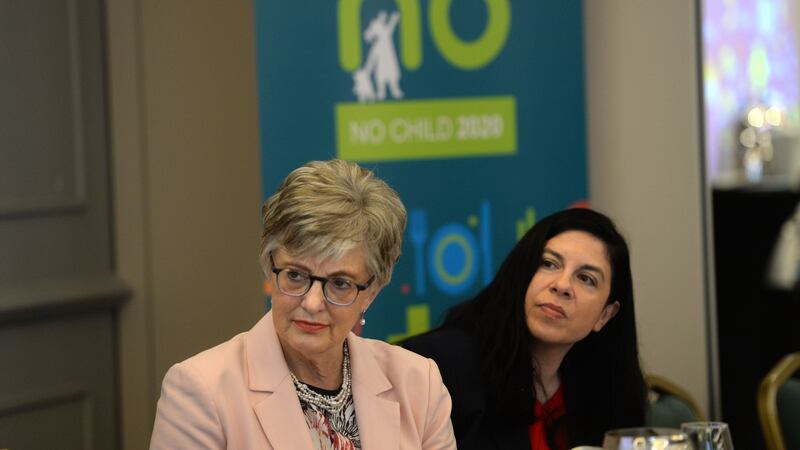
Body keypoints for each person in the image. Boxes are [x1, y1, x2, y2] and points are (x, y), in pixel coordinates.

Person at [150, 159, 456, 449]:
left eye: (340, 283)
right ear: (270, 269)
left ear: (371, 292)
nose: (312, 303)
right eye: (296, 275)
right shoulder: (202, 391)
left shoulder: (418, 384)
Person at [403, 208, 647, 449]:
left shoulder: (608, 393)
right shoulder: (438, 368)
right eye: (549, 264)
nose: (562, 285)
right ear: (522, 272)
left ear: (605, 315)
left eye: (586, 278)